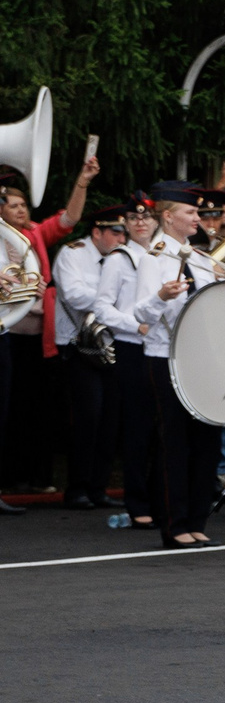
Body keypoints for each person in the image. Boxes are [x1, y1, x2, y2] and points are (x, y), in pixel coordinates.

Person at [127, 183, 225, 545]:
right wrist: (161, 296)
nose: (198, 218)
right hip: (166, 358)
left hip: (200, 357)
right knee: (175, 444)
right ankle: (174, 524)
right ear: (168, 216)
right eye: (192, 212)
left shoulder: (198, 258)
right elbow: (140, 312)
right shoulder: (154, 257)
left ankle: (197, 519)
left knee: (206, 442)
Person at [0, 154, 95, 509]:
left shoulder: (35, 233)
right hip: (9, 331)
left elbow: (69, 219)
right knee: (8, 410)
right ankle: (8, 477)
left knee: (37, 409)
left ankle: (36, 477)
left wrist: (82, 181)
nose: (21, 210)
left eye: (24, 204)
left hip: (38, 336)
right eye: (13, 205)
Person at [52, 205, 125, 510]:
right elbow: (73, 293)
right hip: (79, 345)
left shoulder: (124, 258)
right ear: (97, 232)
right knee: (88, 417)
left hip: (113, 344)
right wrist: (111, 297)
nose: (121, 238)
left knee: (111, 418)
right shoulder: (73, 253)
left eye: (124, 232)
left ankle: (98, 486)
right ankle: (77, 487)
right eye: (115, 232)